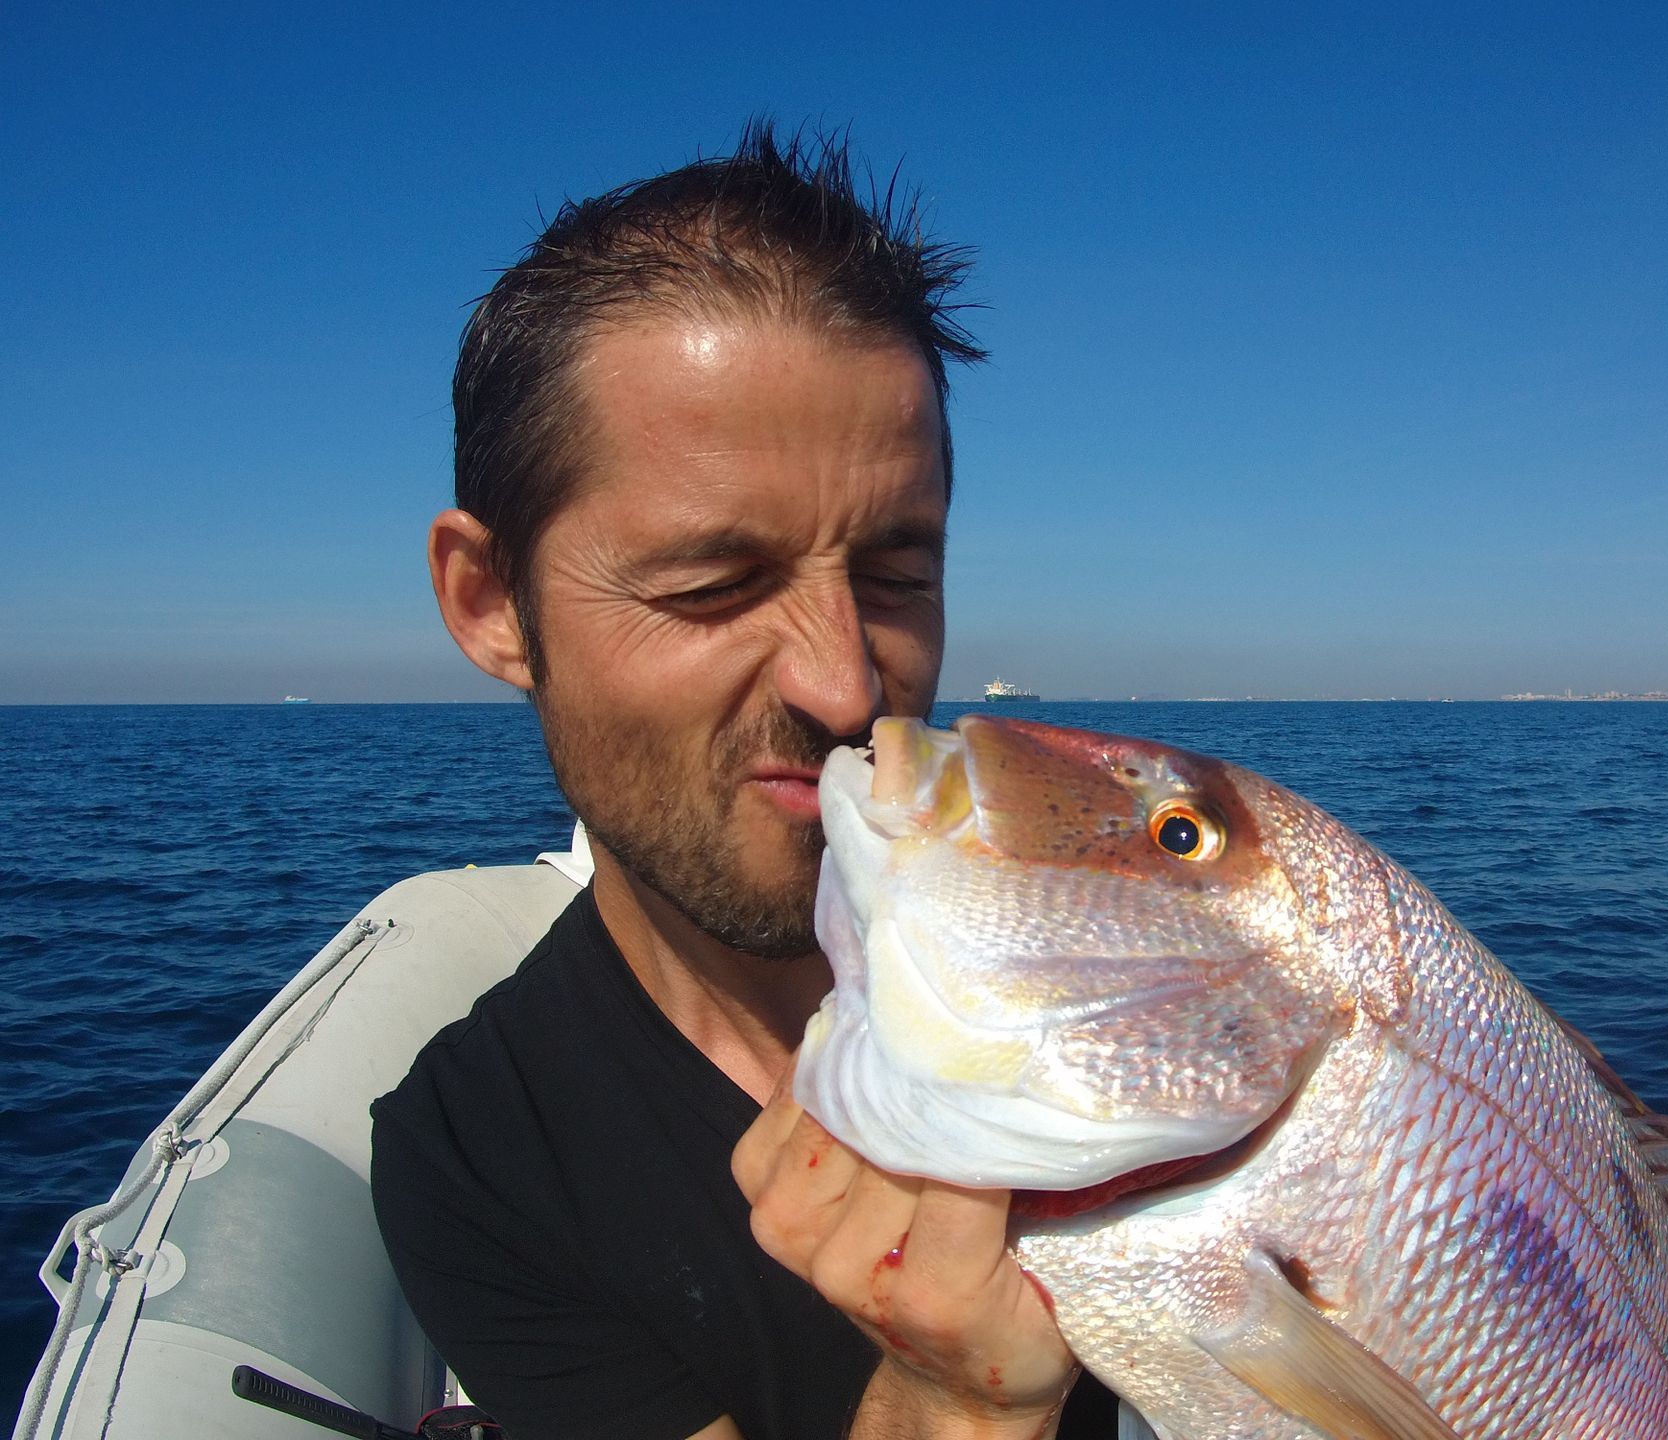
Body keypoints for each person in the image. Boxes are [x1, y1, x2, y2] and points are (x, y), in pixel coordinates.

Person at [369, 124, 1117, 1440]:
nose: (843, 686)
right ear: (491, 605)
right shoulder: (486, 1152)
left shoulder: (1118, 968)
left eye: (895, 574)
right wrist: (954, 1407)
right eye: (713, 585)